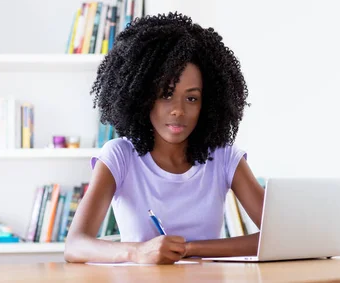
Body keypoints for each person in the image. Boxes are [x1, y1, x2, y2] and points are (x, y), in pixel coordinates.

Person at [64, 12, 264, 265]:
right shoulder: (120, 156)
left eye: (191, 98)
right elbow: (75, 245)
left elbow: (276, 236)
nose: (178, 110)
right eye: (165, 95)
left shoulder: (224, 156)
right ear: (142, 97)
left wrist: (188, 248)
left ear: (208, 104)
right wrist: (137, 252)